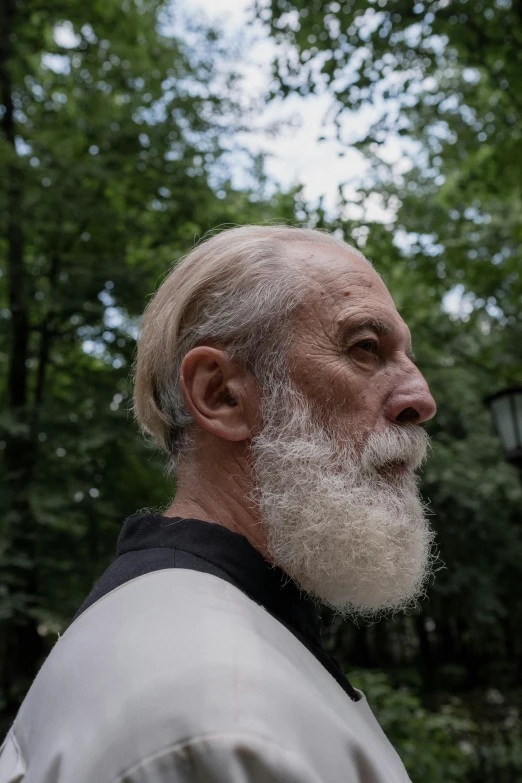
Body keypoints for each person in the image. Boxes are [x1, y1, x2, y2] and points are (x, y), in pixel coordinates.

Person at [0, 225, 437, 782]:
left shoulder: (167, 631)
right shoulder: (226, 719)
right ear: (222, 395)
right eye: (365, 349)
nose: (420, 398)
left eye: (407, 356)